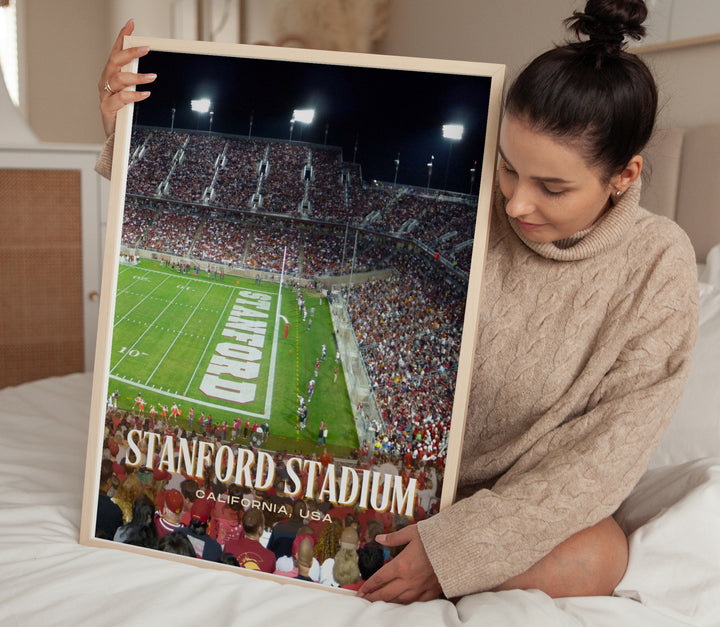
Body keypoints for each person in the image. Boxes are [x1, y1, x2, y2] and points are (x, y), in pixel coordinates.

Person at [97, 0, 697, 603]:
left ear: (624, 175)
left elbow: (603, 461)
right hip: (401, 485)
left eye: (553, 187)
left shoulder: (656, 266)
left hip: (513, 505)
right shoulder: (476, 209)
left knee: (602, 554)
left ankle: (415, 568)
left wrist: (459, 549)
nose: (515, 204)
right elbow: (325, 209)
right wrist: (120, 136)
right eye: (509, 169)